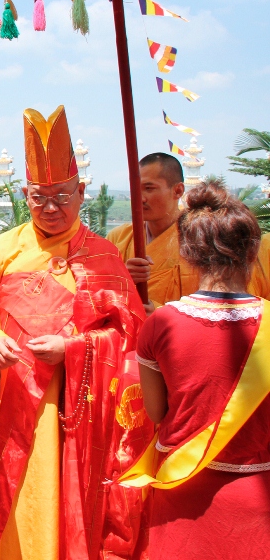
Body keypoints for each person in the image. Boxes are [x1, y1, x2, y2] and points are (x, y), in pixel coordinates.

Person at [0, 106, 148, 560]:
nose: (51, 208)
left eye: (62, 196)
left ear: (81, 193)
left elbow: (131, 341)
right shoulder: (3, 250)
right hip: (12, 407)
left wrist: (74, 349)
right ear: (25, 194)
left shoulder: (103, 258)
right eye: (40, 197)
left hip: (77, 416)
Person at [121, 181, 270, 559]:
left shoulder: (162, 323)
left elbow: (157, 413)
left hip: (180, 488)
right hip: (259, 491)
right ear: (253, 251)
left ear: (187, 255)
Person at [110, 152, 270, 307]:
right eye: (135, 189)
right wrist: (122, 280)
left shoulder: (203, 238)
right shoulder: (118, 238)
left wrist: (159, 314)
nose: (140, 197)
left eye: (149, 188)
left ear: (178, 191)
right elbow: (98, 296)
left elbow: (227, 298)